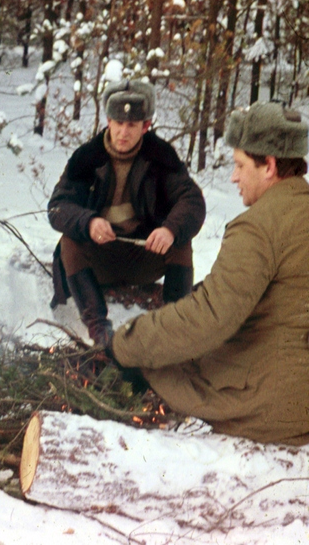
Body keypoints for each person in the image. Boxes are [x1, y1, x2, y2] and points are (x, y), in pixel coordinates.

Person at [109, 101, 309, 446]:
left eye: (240, 165)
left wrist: (128, 341)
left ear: (270, 166)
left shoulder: (259, 227)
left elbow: (211, 319)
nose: (233, 176)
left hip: (273, 407)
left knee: (151, 366)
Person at [48, 79, 206, 347]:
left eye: (132, 125)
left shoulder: (161, 157)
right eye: (118, 122)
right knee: (70, 240)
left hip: (144, 255)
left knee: (181, 241)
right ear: (108, 121)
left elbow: (192, 201)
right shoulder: (86, 157)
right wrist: (89, 222)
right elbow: (58, 207)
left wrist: (169, 229)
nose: (123, 132)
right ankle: (99, 330)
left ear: (146, 126)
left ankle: (176, 325)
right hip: (98, 256)